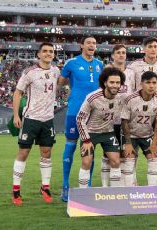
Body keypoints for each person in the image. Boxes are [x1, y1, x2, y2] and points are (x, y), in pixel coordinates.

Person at [11, 42, 60, 206]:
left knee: (46, 153)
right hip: (31, 118)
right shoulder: (29, 72)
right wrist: (16, 115)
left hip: (48, 119)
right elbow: (17, 93)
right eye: (45, 51)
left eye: (51, 51)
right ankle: (16, 190)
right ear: (38, 54)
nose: (48, 54)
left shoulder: (56, 71)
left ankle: (45, 187)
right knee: (23, 153)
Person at [59, 36, 104, 201]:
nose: (92, 45)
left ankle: (88, 185)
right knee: (70, 146)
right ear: (82, 46)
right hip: (75, 111)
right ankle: (65, 185)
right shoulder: (71, 63)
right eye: (89, 43)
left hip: (93, 113)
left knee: (89, 149)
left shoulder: (100, 65)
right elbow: (61, 81)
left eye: (94, 43)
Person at [127, 37, 157, 184]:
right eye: (150, 46)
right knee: (132, 152)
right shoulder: (134, 66)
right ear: (144, 49)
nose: (153, 49)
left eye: (155, 46)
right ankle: (132, 181)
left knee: (154, 147)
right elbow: (131, 85)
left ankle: (152, 182)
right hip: (138, 110)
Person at [76, 67, 125, 188]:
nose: (115, 85)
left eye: (118, 82)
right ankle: (83, 194)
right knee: (87, 162)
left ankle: (114, 193)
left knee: (116, 161)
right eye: (112, 82)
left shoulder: (122, 97)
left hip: (108, 132)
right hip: (90, 134)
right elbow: (79, 118)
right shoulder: (92, 97)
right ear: (105, 83)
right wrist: (86, 140)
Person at [121, 71, 157, 186]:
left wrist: (154, 144)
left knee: (154, 159)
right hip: (131, 135)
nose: (151, 85)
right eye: (148, 82)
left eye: (154, 83)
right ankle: (130, 190)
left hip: (147, 135)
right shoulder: (130, 99)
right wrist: (128, 143)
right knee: (129, 162)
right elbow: (124, 122)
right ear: (141, 84)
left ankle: (152, 190)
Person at [101, 44, 136, 187]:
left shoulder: (131, 73)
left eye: (124, 53)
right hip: (110, 119)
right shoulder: (107, 71)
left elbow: (133, 93)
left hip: (126, 119)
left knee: (124, 153)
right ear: (113, 55)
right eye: (119, 53)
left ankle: (121, 185)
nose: (122, 55)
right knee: (107, 154)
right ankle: (105, 186)